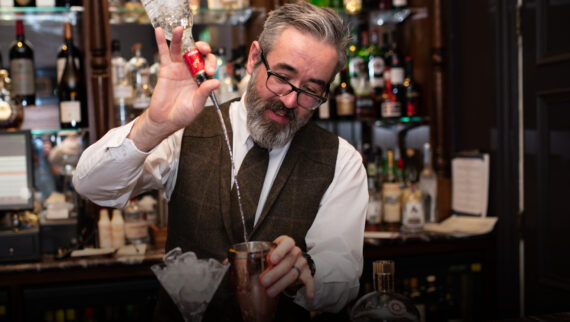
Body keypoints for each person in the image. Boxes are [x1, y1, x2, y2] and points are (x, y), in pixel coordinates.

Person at [73, 2, 367, 321]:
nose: (290, 100)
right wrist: (154, 125)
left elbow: (344, 279)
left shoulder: (342, 160)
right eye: (282, 76)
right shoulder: (187, 128)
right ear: (255, 57)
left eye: (311, 90)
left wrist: (305, 272)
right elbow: (93, 186)